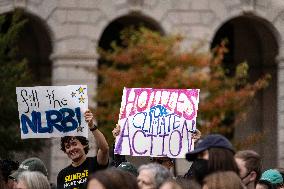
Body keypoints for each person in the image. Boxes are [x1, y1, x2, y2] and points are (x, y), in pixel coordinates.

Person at [57, 109, 109, 189]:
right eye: (67, 147)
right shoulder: (62, 174)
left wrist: (92, 126)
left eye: (74, 144)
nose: (71, 149)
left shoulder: (95, 163)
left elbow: (104, 149)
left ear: (84, 145)